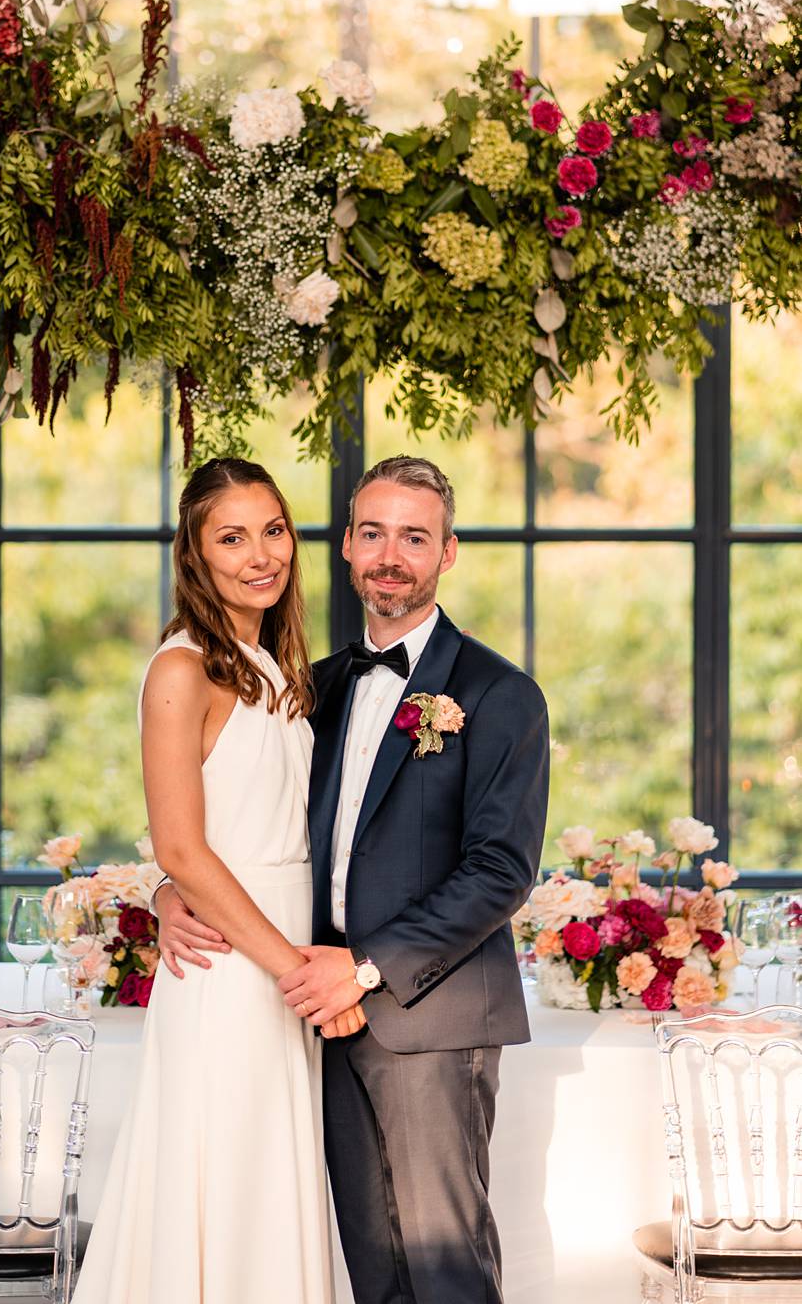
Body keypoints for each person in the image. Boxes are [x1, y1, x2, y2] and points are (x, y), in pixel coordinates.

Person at [157, 455, 550, 1304]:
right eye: (372, 532)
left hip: (427, 1017)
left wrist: (362, 965)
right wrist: (169, 890)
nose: (389, 555)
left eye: (414, 536)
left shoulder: (499, 693)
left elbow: (501, 870)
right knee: (370, 1269)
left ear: (449, 551)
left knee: (445, 1267)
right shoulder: (316, 687)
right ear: (344, 545)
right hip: (319, 1022)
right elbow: (241, 819)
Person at [73, 456, 342, 1304]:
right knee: (223, 1172)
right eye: (232, 537)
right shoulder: (181, 669)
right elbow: (182, 849)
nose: (260, 554)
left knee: (267, 1175)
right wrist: (301, 973)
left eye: (273, 529)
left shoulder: (275, 669)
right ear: (195, 552)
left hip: (278, 955)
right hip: (235, 968)